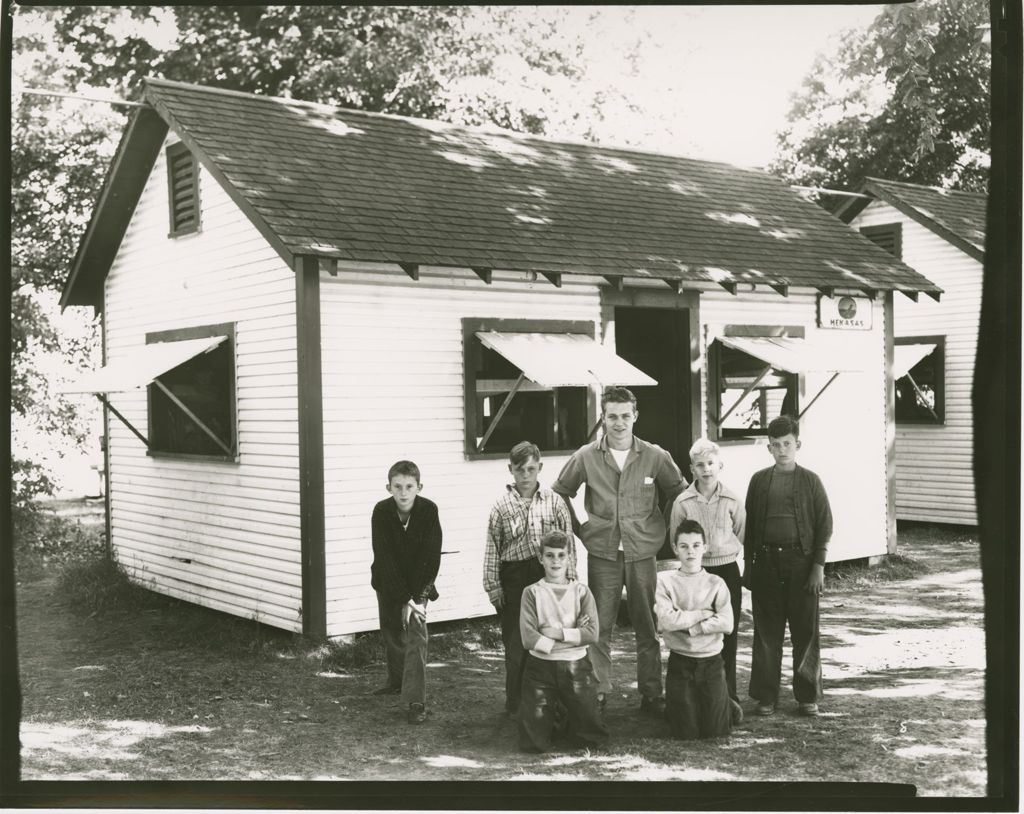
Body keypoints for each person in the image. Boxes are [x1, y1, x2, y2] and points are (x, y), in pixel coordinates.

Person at [552, 386, 687, 715]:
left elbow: (679, 490)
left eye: (625, 416)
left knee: (648, 625)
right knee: (599, 626)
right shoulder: (586, 456)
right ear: (603, 417)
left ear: (635, 416)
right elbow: (560, 491)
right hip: (604, 553)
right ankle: (598, 691)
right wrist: (581, 529)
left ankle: (652, 693)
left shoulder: (654, 455)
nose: (619, 423)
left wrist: (663, 527)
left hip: (643, 553)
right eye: (612, 416)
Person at [742, 415, 833, 717]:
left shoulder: (810, 481)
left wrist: (818, 566)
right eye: (776, 445)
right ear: (768, 448)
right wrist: (749, 567)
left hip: (801, 564)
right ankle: (766, 696)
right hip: (766, 562)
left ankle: (807, 696)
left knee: (805, 631)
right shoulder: (758, 481)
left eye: (787, 444)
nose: (782, 450)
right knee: (767, 632)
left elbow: (824, 524)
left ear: (798, 445)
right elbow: (751, 527)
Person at [483, 441, 575, 714]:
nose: (526, 474)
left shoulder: (554, 501)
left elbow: (567, 542)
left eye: (531, 468)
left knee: (550, 636)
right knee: (516, 643)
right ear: (510, 470)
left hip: (548, 575)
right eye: (520, 469)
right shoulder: (501, 506)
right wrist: (493, 586)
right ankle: (516, 705)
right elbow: (492, 548)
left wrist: (569, 579)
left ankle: (550, 702)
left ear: (540, 468)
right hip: (514, 578)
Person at [667, 438, 746, 724]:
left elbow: (742, 531)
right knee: (697, 631)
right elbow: (676, 537)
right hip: (696, 573)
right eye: (700, 465)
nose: (706, 469)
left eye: (711, 463)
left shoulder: (732, 500)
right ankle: (698, 696)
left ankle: (729, 698)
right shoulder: (683, 502)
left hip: (725, 569)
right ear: (692, 469)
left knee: (727, 634)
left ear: (720, 465)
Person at [518, 530, 609, 752]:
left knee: (591, 739)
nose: (556, 561)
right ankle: (554, 717)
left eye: (561, 555)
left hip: (576, 664)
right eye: (549, 555)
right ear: (541, 558)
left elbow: (592, 634)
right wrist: (575, 632)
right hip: (540, 666)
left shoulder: (581, 592)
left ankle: (567, 716)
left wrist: (555, 633)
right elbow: (528, 638)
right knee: (533, 744)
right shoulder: (531, 593)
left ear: (569, 558)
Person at [369, 460, 442, 724]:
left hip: (419, 584)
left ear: (418, 487)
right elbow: (385, 557)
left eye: (409, 486)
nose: (403, 492)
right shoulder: (381, 512)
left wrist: (417, 600)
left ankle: (415, 701)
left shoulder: (429, 511)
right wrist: (403, 598)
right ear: (388, 487)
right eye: (397, 486)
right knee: (392, 631)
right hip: (388, 581)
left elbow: (431, 557)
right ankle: (396, 681)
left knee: (416, 637)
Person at [654, 520, 734, 740]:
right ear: (675, 548)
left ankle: (726, 704)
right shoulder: (665, 582)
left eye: (696, 545)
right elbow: (667, 621)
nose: (691, 551)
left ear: (705, 548)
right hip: (681, 662)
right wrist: (703, 614)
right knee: (685, 733)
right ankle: (682, 705)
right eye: (684, 546)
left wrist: (693, 629)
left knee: (715, 733)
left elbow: (727, 623)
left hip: (711, 661)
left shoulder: (716, 582)